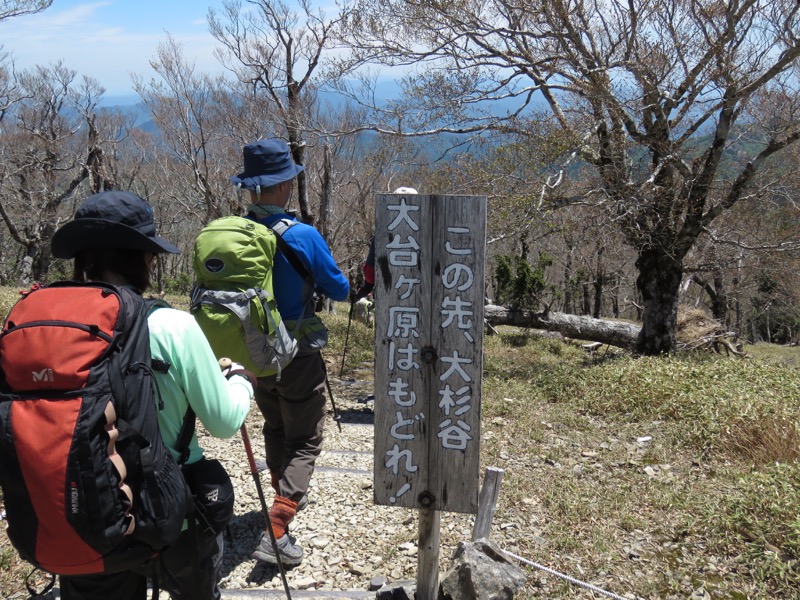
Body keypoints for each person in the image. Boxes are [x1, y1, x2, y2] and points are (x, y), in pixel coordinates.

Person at [50, 190, 253, 600]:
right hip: (172, 510)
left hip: (87, 506)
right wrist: (240, 381)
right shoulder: (173, 327)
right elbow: (224, 421)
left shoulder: (55, 326)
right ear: (143, 257)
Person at [230, 139, 349, 566]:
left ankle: (281, 503)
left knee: (276, 426)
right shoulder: (302, 235)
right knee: (305, 438)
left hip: (252, 353)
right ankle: (277, 529)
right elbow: (340, 289)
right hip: (296, 352)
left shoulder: (234, 234)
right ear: (283, 185)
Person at [352, 187, 418, 302]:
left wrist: (366, 287)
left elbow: (370, 271)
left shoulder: (382, 230)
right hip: (418, 293)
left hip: (387, 290)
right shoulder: (426, 230)